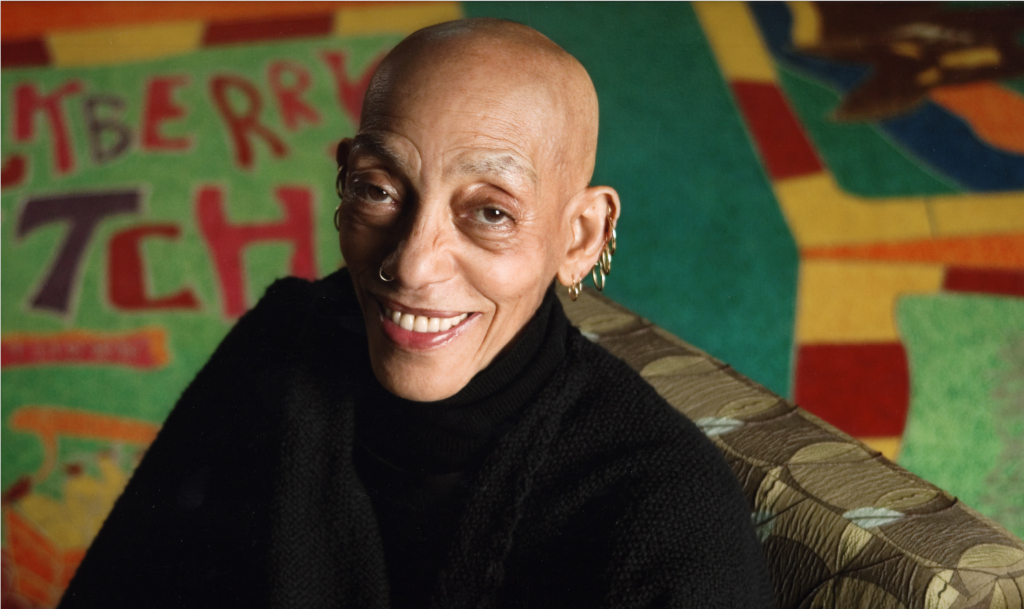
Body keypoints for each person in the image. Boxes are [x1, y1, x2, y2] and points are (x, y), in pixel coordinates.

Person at [59, 18, 774, 609]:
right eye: (379, 190)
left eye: (490, 211)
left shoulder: (662, 511)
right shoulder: (282, 347)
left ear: (581, 235)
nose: (411, 263)